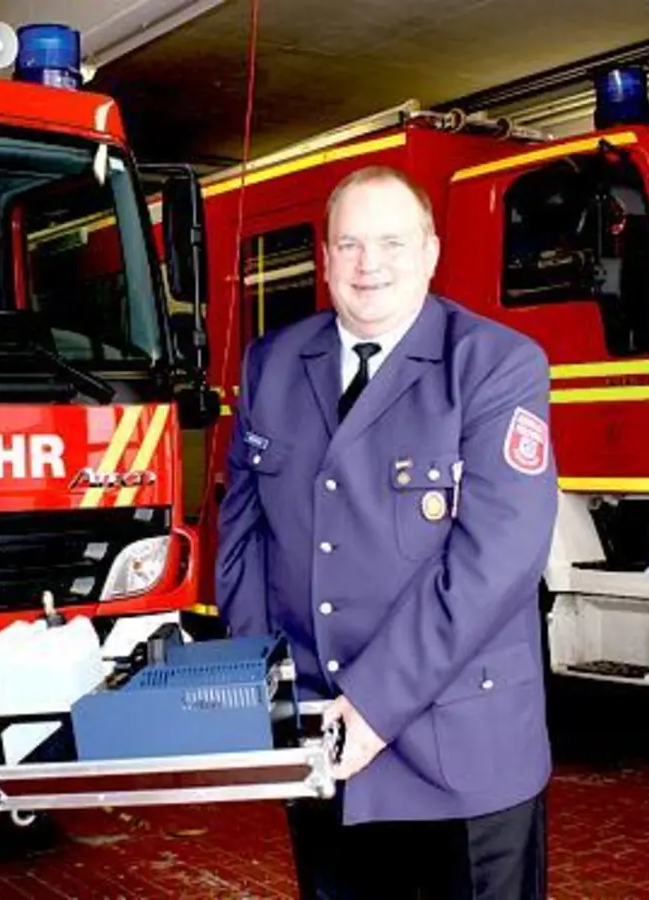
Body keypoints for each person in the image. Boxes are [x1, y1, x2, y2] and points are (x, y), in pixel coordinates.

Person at [216, 165, 558, 899]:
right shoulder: (272, 363)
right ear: (325, 257)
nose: (370, 265)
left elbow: (497, 557)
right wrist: (263, 685)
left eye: (392, 243)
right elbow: (242, 538)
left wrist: (373, 704)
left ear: (432, 253)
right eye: (350, 245)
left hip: (461, 752)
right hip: (322, 741)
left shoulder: (495, 365)